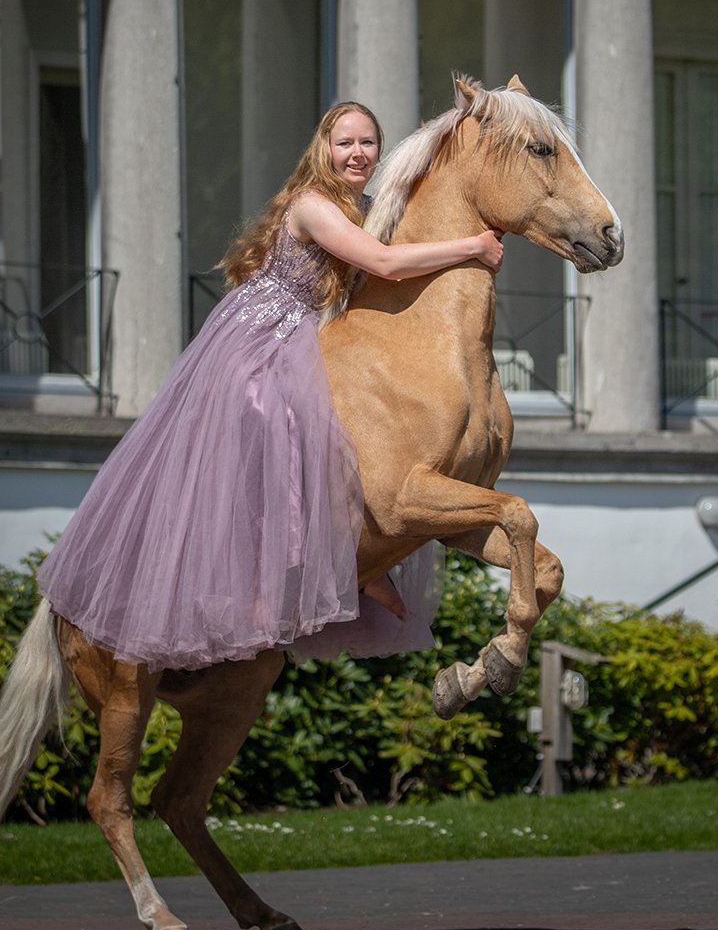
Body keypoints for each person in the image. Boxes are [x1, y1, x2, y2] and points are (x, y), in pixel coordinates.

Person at [36, 102, 502, 672]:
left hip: (304, 338)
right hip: (259, 342)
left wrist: (462, 132)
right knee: (291, 422)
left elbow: (412, 232)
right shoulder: (314, 206)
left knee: (353, 433)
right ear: (324, 151)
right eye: (345, 143)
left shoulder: (369, 206)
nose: (358, 154)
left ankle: (355, 557)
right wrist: (473, 247)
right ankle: (277, 575)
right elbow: (383, 262)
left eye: (368, 144)